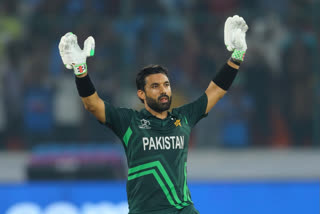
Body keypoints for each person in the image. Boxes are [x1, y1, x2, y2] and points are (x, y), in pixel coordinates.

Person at [58, 15, 248, 214]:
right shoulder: (129, 122)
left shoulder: (183, 117)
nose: (163, 90)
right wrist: (81, 70)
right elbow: (93, 105)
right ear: (141, 94)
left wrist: (238, 54)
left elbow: (215, 91)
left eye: (166, 85)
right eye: (155, 86)